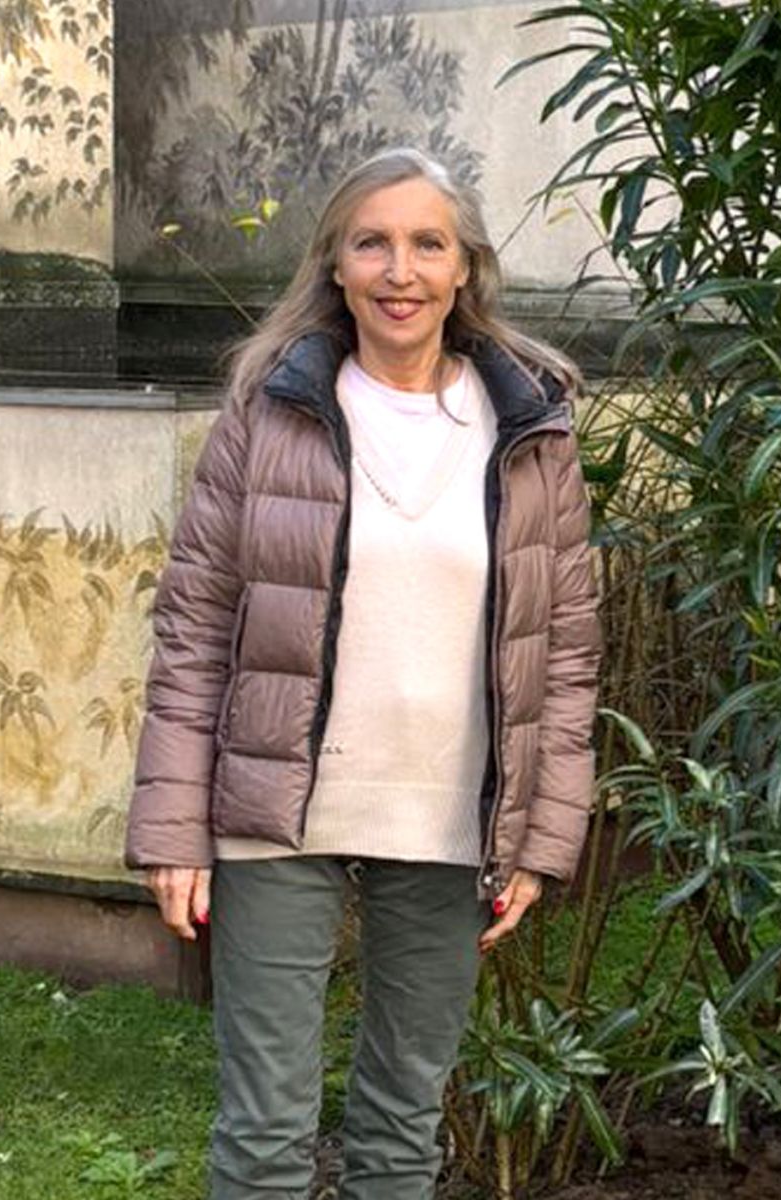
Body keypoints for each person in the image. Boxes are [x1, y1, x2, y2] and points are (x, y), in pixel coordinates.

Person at [125, 147, 601, 1200]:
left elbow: (565, 649)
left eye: (427, 244)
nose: (399, 270)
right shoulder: (267, 412)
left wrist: (540, 835)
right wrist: (172, 828)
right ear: (334, 265)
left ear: (464, 268)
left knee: (400, 1132)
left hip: (448, 820)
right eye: (371, 243)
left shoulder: (532, 428)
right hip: (273, 815)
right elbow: (195, 628)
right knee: (263, 1135)